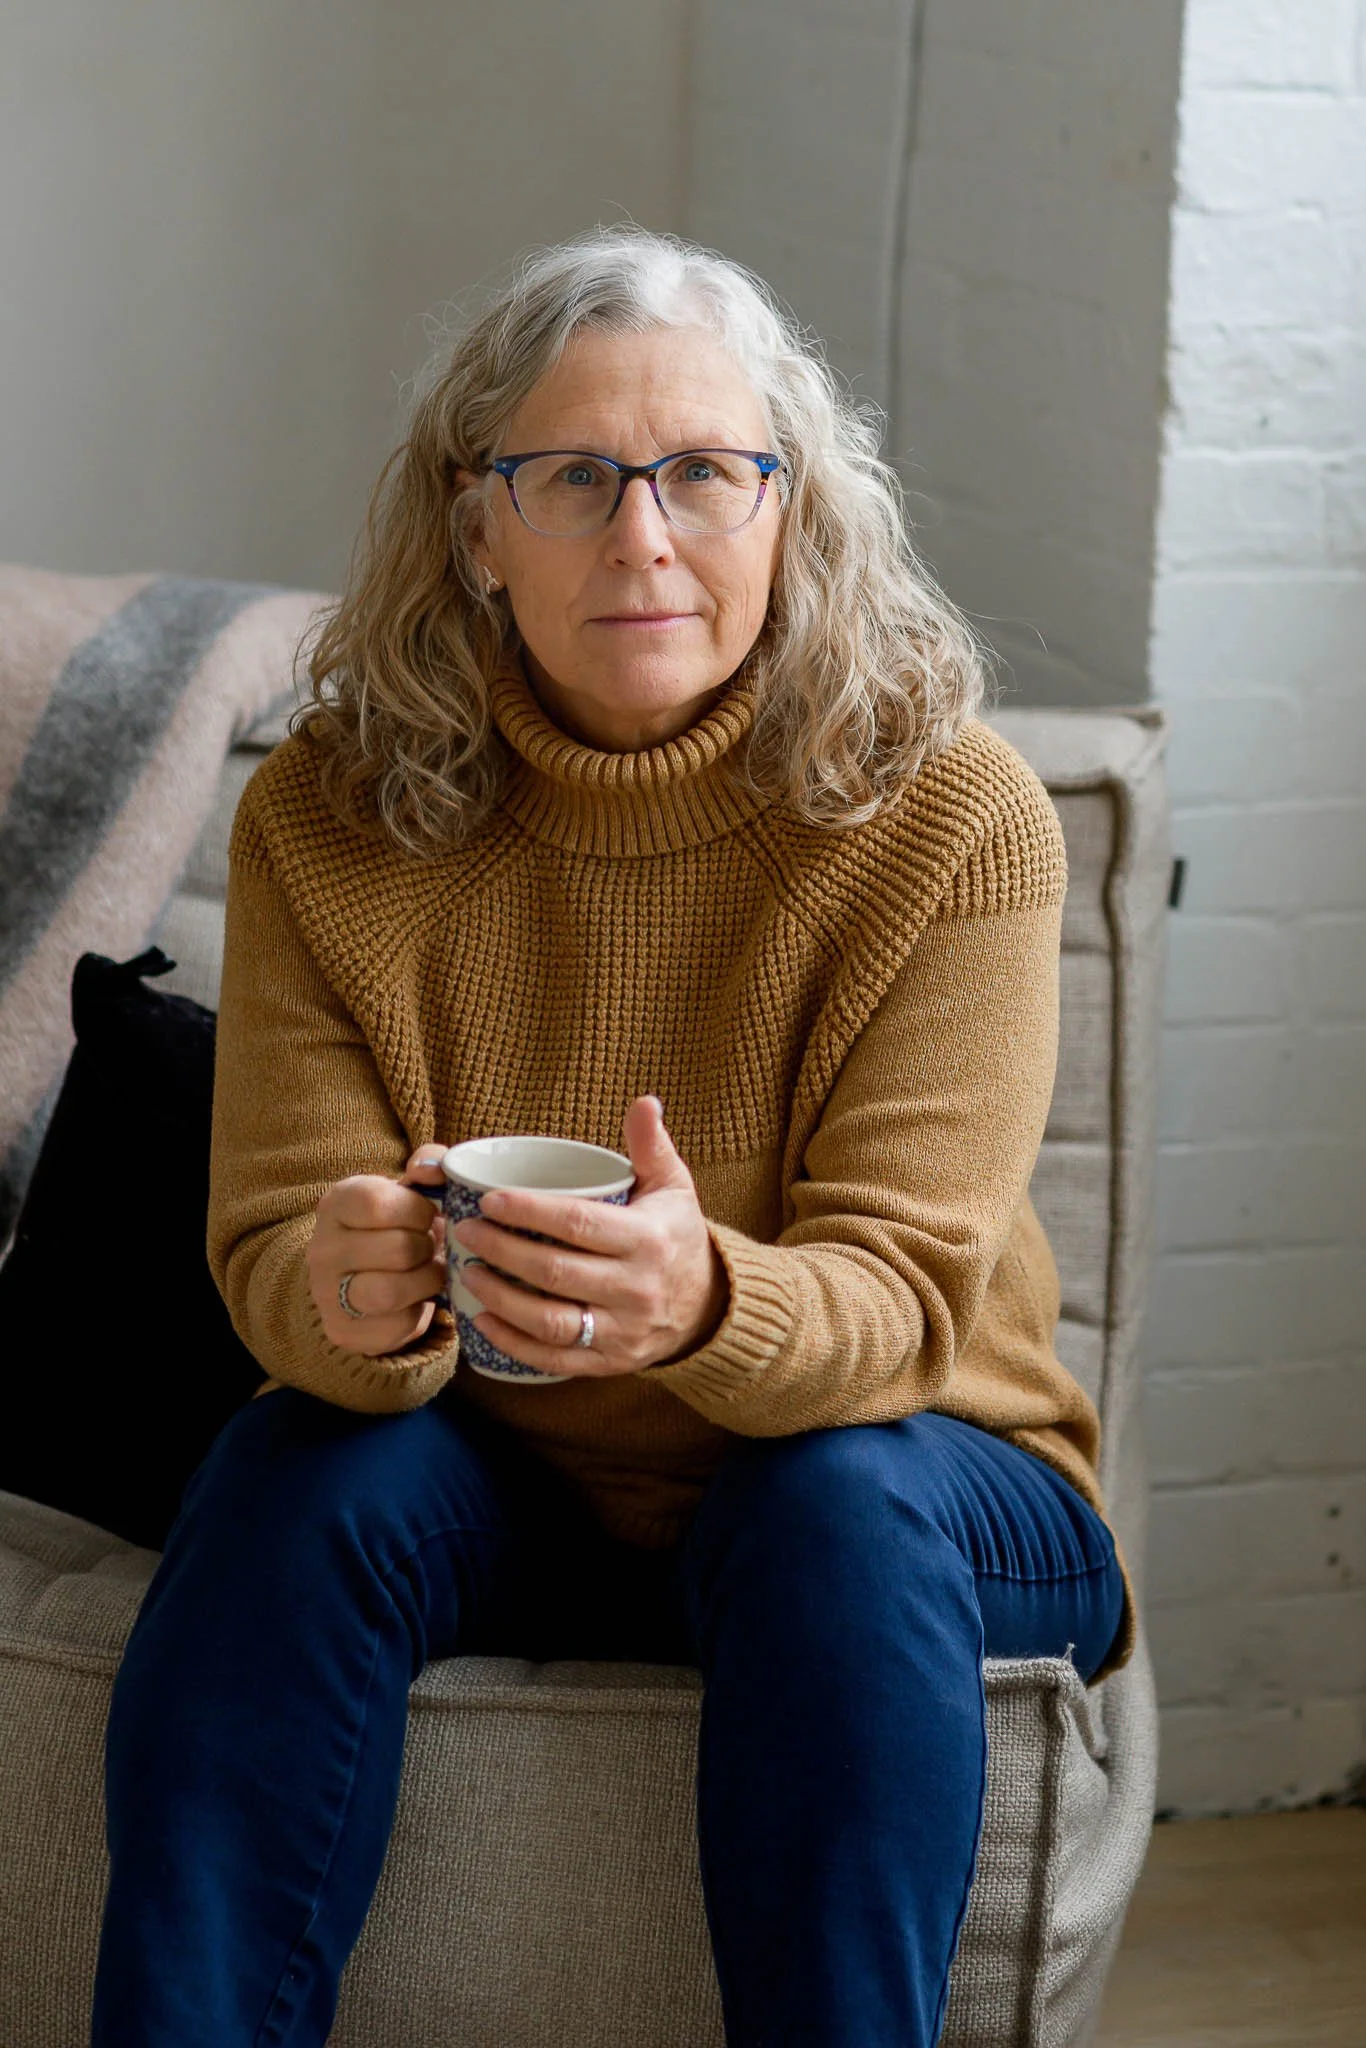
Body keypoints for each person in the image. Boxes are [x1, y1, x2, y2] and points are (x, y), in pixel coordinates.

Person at [91, 225, 1134, 2048]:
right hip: (501, 1466)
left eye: (705, 474)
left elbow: (897, 1301)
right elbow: (270, 1245)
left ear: (790, 509)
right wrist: (342, 1292)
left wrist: (700, 1305)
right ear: (475, 526)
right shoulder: (331, 813)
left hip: (918, 1467)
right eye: (572, 478)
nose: (643, 536)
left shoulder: (950, 813)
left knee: (829, 1497)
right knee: (287, 1476)